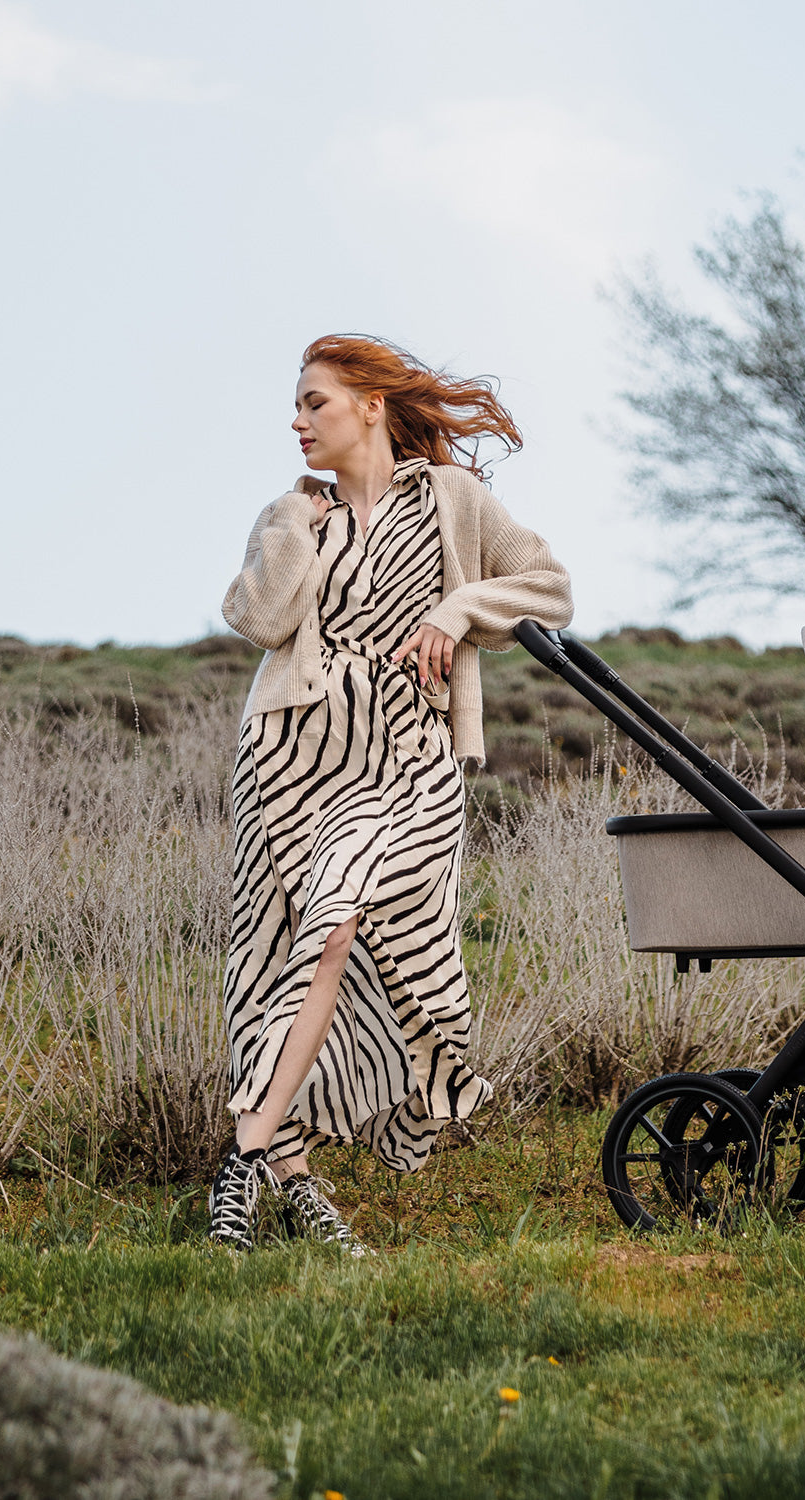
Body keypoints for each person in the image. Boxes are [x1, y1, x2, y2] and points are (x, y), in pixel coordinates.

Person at [209, 334, 573, 1251]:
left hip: (409, 759)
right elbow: (261, 618)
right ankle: (293, 1184)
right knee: (277, 960)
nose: (298, 422)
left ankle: (241, 1160)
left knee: (342, 925)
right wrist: (292, 523)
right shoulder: (293, 513)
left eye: (315, 403)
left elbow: (548, 588)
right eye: (296, 407)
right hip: (292, 760)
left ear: (371, 405)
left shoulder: (451, 499)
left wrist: (459, 609)